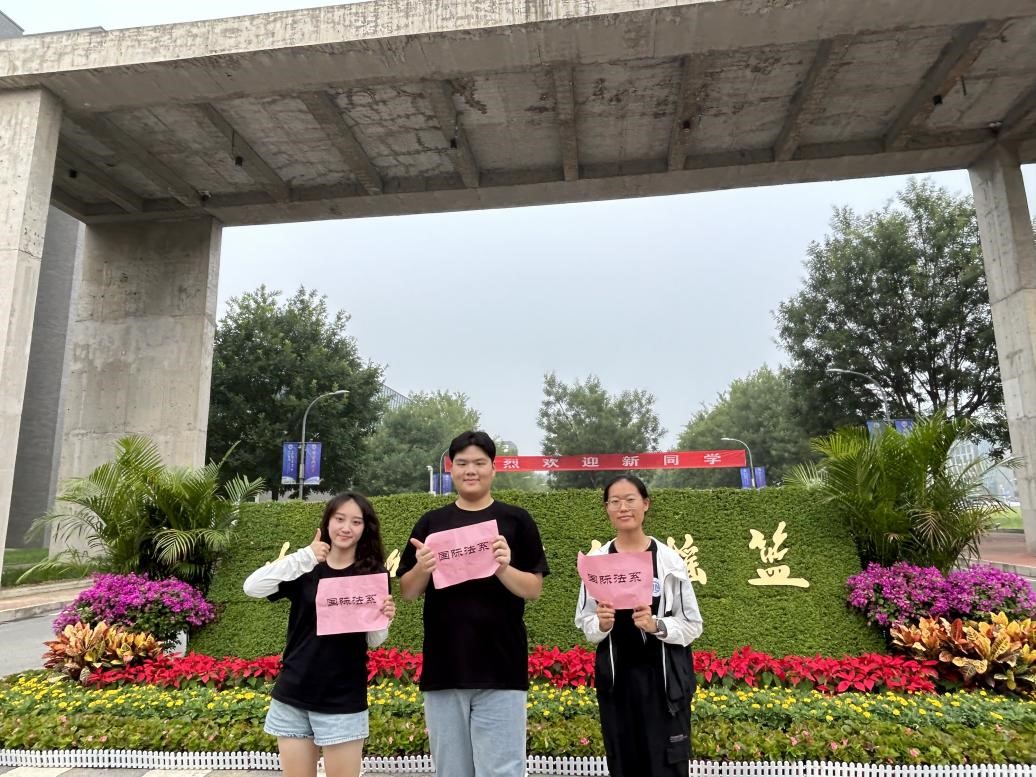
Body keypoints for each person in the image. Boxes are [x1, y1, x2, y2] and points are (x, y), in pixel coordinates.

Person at [397, 430, 550, 777]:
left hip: (502, 669)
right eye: (463, 463)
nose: (471, 470)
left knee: (503, 771)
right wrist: (422, 568)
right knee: (451, 770)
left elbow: (533, 589)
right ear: (450, 469)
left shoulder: (517, 520)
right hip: (445, 669)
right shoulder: (432, 523)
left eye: (479, 463)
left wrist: (503, 566)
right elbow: (407, 591)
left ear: (493, 469)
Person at [243, 491, 396, 777]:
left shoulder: (371, 574)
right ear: (327, 522)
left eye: (356, 522)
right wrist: (305, 556)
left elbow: (373, 640)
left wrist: (384, 618)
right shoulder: (305, 567)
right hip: (293, 694)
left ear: (365, 528)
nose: (346, 528)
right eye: (339, 519)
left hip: (342, 698)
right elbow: (252, 587)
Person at [574, 475, 703, 777]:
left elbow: (692, 624)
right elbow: (585, 621)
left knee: (667, 764)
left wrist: (657, 624)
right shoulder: (597, 562)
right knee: (623, 761)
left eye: (630, 499)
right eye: (614, 501)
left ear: (645, 504)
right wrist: (601, 624)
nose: (623, 507)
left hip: (664, 680)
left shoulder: (668, 561)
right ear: (606, 508)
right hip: (618, 680)